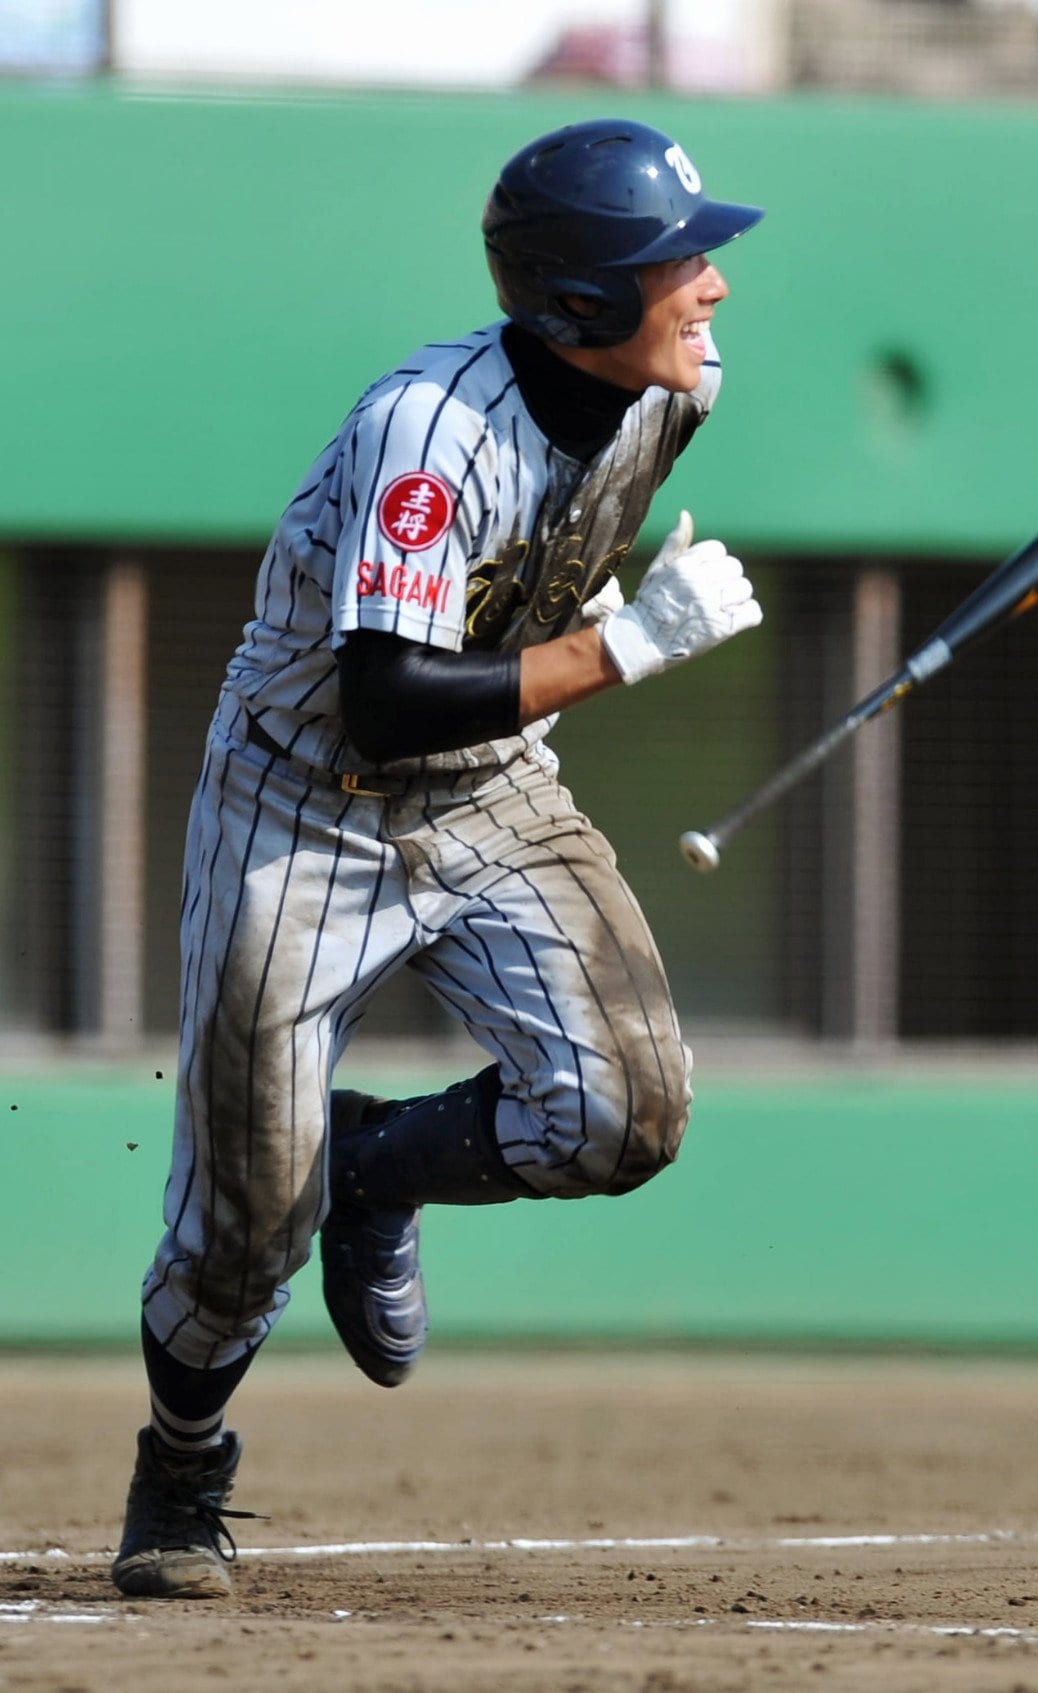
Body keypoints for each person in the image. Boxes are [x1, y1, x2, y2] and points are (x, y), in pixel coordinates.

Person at [110, 116, 764, 1599]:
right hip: (305, 798)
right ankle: (181, 1465)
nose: (713, 283)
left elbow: (499, 645)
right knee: (238, 1236)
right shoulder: (432, 431)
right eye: (681, 261)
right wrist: (626, 644)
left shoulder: (682, 389)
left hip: (490, 790)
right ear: (583, 306)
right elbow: (386, 696)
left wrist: (606, 629)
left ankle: (376, 1166)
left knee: (627, 1111)